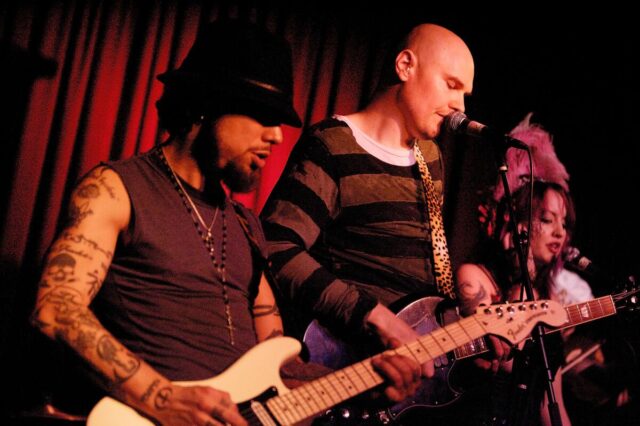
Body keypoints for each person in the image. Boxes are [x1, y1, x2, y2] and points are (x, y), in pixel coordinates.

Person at [30, 20, 420, 426]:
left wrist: (362, 386)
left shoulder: (247, 227)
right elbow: (56, 309)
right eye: (263, 115)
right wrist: (162, 398)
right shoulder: (116, 189)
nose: (276, 136)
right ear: (207, 104)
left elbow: (282, 368)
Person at [261, 23, 474, 378]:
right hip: (343, 363)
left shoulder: (430, 158)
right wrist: (375, 318)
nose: (460, 106)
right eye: (452, 85)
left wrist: (465, 328)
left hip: (406, 376)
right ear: (405, 66)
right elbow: (277, 247)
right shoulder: (332, 144)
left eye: (465, 94)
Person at [455, 115, 593, 425]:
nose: (560, 232)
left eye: (564, 223)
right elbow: (503, 358)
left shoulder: (551, 298)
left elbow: (550, 400)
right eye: (547, 220)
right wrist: (523, 275)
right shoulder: (474, 278)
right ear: (517, 224)